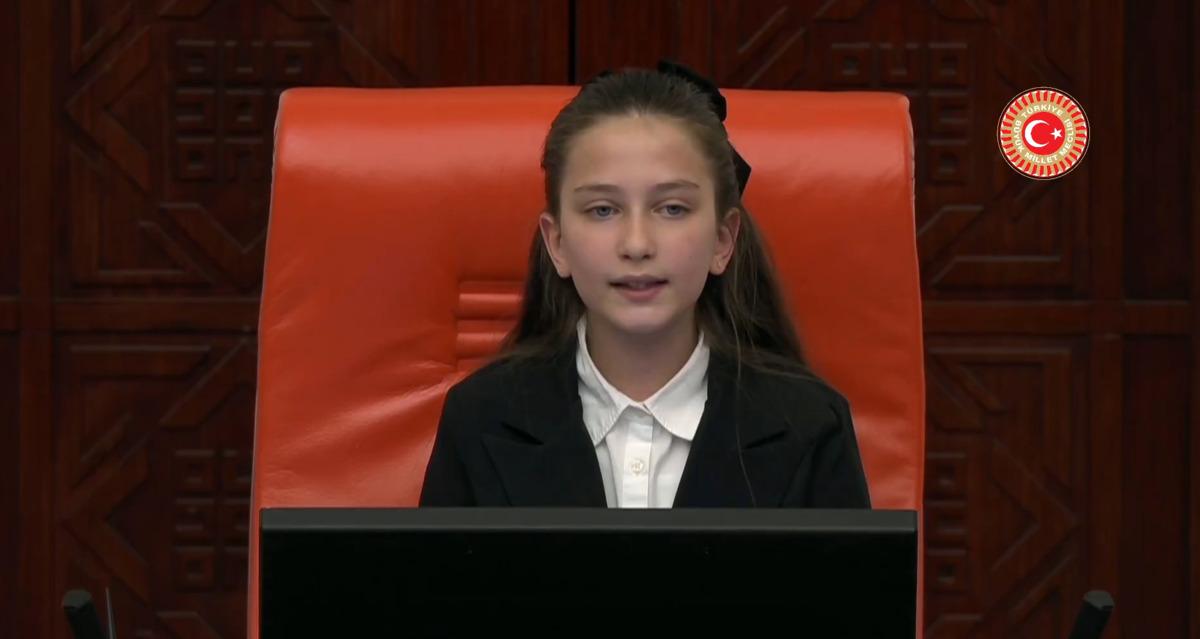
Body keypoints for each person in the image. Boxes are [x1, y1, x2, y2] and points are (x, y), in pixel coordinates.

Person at [420, 61, 870, 509]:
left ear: (722, 240)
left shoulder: (811, 425)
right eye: (603, 210)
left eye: (672, 209)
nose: (636, 244)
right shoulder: (479, 418)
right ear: (557, 243)